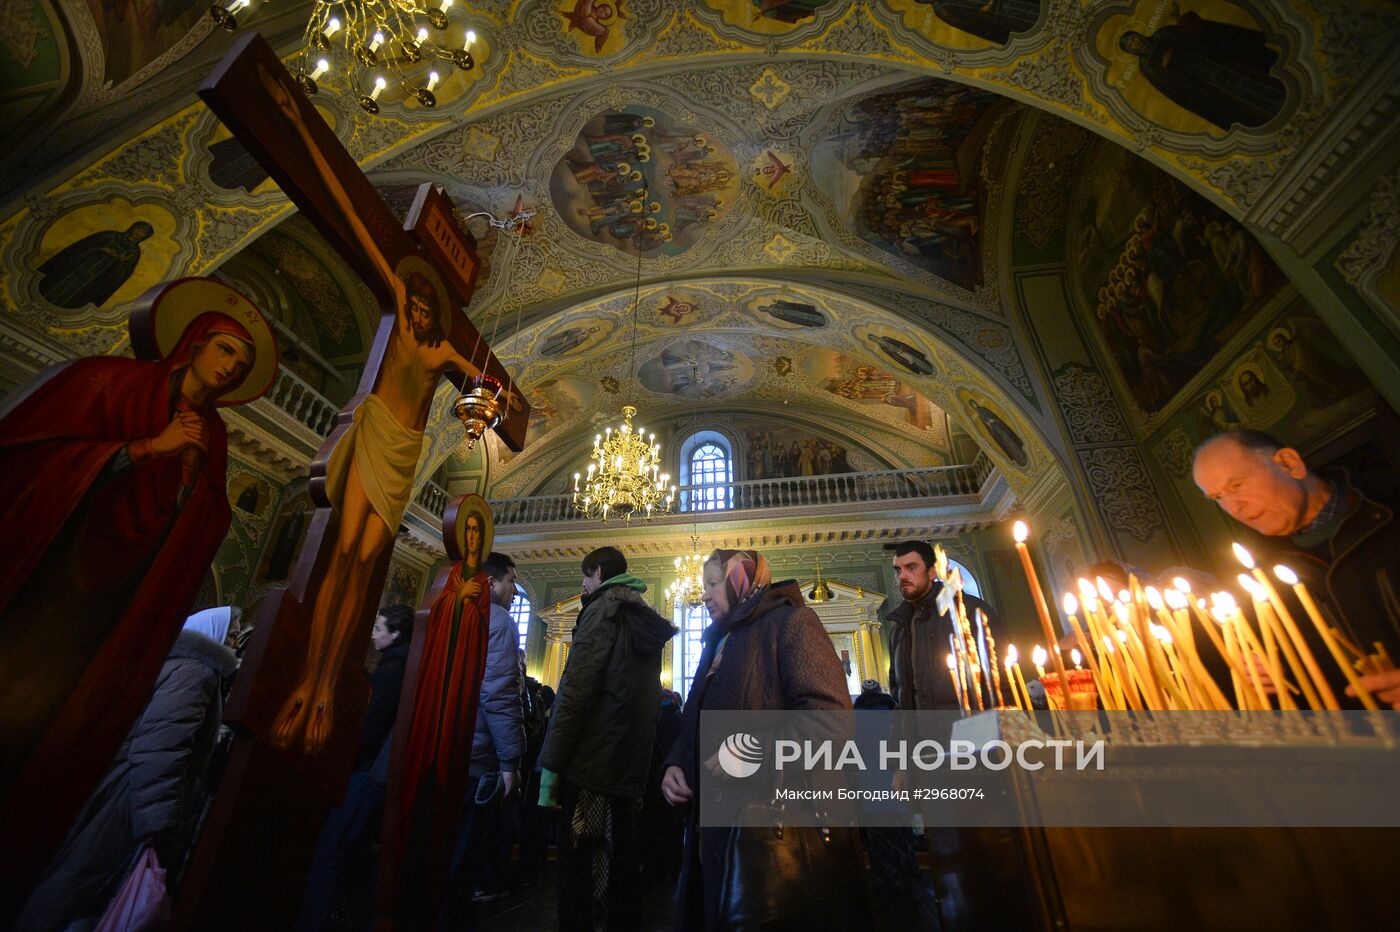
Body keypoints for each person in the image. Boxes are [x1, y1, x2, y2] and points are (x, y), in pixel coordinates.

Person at [0, 307, 264, 907]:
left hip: (114, 598)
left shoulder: (214, 436)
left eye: (242, 365)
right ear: (193, 344)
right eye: (225, 351)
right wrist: (151, 448)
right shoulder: (108, 384)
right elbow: (27, 459)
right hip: (49, 566)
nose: (230, 369)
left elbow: (203, 515)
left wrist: (189, 487)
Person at [661, 549, 853, 930]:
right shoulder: (717, 644)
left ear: (739, 580)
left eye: (713, 584)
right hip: (714, 832)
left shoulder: (791, 622)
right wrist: (675, 764)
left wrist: (750, 752)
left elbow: (831, 720)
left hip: (773, 836)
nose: (703, 595)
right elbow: (694, 724)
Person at [15, 608, 239, 931]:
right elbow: (161, 750)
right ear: (213, 634)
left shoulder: (174, 663)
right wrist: (160, 828)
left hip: (120, 795)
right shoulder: (197, 672)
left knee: (73, 883)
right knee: (80, 890)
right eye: (231, 635)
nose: (233, 644)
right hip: (129, 809)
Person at [1191, 430, 1400, 707]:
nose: (1233, 507)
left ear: (1290, 464)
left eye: (1237, 485)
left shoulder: (1389, 514)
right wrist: (1270, 670)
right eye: (1218, 497)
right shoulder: (1257, 575)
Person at [537, 546, 676, 932]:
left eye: (585, 575)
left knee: (583, 875)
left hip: (590, 768)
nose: (582, 585)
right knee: (619, 869)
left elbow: (575, 694)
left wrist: (550, 767)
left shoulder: (602, 610)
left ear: (598, 572)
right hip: (624, 764)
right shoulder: (638, 616)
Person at [295, 604, 413, 932]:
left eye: (378, 629)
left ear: (396, 633)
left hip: (368, 771)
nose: (373, 635)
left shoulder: (393, 669)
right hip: (372, 770)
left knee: (330, 850)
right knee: (352, 850)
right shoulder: (398, 664)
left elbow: (371, 725)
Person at [445, 552, 526, 918]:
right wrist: (511, 760)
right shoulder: (501, 622)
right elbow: (498, 693)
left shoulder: (455, 613)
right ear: (492, 582)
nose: (514, 590)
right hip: (478, 753)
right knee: (464, 849)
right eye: (511, 580)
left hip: (448, 743)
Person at [886, 541, 998, 712]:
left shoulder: (969, 611)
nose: (902, 576)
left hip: (967, 733)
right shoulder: (899, 630)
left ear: (932, 572)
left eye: (911, 567)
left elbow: (999, 681)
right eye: (898, 570)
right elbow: (899, 692)